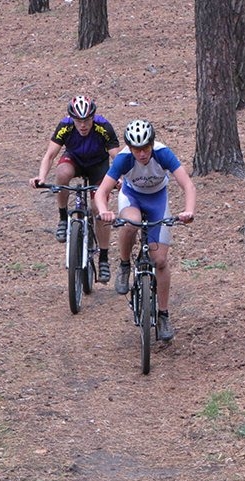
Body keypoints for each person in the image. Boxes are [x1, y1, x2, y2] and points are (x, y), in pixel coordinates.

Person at [94, 119, 196, 341]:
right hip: (132, 197)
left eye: (146, 148)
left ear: (152, 143)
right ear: (130, 148)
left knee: (160, 260)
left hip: (158, 200)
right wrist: (104, 211)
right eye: (137, 149)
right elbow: (101, 192)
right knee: (131, 222)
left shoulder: (163, 153)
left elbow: (187, 184)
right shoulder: (123, 158)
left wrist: (189, 210)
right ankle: (124, 265)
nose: (142, 154)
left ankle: (163, 314)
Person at [29, 95, 121, 283]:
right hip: (74, 160)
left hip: (98, 166)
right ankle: (63, 218)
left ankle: (103, 258)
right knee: (62, 173)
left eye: (87, 120)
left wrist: (119, 179)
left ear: (93, 117)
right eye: (78, 121)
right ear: (72, 119)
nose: (83, 125)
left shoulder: (103, 126)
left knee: (99, 209)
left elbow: (118, 158)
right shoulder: (65, 126)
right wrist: (41, 177)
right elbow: (50, 155)